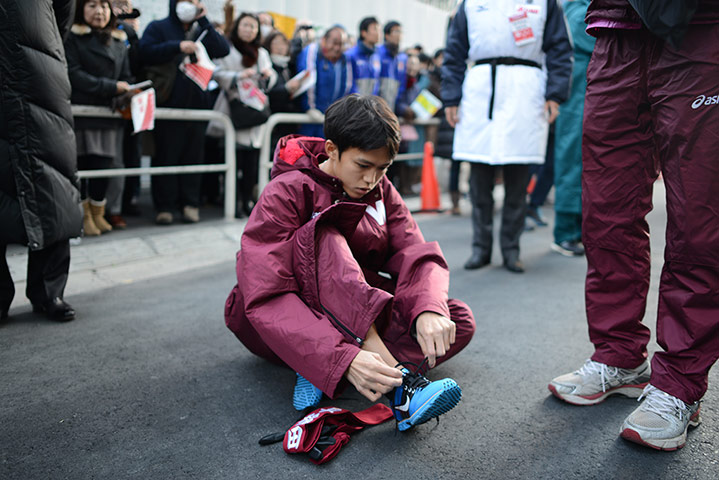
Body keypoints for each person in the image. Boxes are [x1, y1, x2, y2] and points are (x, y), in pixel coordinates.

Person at [224, 95, 475, 430]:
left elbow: (414, 250)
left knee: (454, 319)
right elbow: (266, 294)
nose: (372, 179)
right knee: (325, 234)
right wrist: (339, 354)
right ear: (331, 150)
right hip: (279, 320)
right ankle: (402, 390)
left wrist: (428, 309)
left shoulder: (380, 188)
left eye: (382, 168)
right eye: (363, 166)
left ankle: (331, 370)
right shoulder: (285, 192)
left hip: (352, 311)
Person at [548, 0, 719, 451]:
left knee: (698, 220)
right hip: (614, 30)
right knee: (606, 213)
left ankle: (681, 381)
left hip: (700, 26)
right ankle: (619, 353)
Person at [442, 0, 572, 273]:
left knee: (518, 176)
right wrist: (451, 97)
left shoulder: (545, 3)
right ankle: (481, 248)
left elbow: (559, 49)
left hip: (525, 91)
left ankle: (511, 248)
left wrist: (555, 94)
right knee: (479, 176)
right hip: (480, 89)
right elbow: (454, 53)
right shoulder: (470, 3)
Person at [0, 0, 82, 321]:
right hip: (36, 64)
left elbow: (62, 15)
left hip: (38, 73)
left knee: (53, 184)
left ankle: (50, 291)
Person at [139, 0, 230, 225]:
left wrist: (204, 21)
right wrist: (177, 46)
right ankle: (165, 206)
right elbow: (144, 52)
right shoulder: (158, 27)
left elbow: (222, 49)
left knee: (194, 157)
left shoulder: (202, 30)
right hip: (169, 102)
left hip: (198, 106)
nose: (188, 5)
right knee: (166, 156)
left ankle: (190, 204)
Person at [66, 0, 133, 237]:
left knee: (102, 167)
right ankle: (82, 216)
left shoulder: (119, 41)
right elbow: (73, 74)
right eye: (92, 5)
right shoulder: (72, 38)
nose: (99, 11)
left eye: (104, 6)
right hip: (82, 113)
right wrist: (111, 86)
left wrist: (130, 91)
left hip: (108, 115)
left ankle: (98, 213)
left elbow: (126, 75)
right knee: (81, 166)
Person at [207, 12, 277, 218]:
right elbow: (216, 73)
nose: (249, 30)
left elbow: (270, 76)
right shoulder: (226, 49)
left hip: (255, 111)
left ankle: (248, 200)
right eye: (246, 25)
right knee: (233, 158)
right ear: (238, 26)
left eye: (253, 27)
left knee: (252, 162)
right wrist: (238, 76)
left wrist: (267, 77)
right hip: (234, 108)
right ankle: (233, 201)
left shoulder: (261, 53)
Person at [549, 0, 594, 257]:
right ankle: (566, 232)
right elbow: (587, 35)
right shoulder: (576, 8)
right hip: (577, 88)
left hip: (584, 87)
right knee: (572, 157)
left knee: (583, 159)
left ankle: (577, 230)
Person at [296, 25, 352, 138]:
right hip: (310, 119)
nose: (337, 48)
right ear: (324, 40)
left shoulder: (344, 59)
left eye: (341, 44)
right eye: (334, 42)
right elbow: (308, 78)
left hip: (331, 121)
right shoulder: (312, 51)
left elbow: (347, 86)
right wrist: (310, 108)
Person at [375, 21, 408, 114]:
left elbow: (402, 84)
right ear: (387, 35)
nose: (399, 35)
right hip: (376, 104)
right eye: (396, 31)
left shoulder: (402, 57)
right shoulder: (377, 53)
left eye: (401, 32)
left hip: (392, 106)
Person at [345, 16, 381, 96]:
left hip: (371, 105)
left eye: (379, 30)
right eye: (375, 29)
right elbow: (348, 85)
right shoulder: (351, 55)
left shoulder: (377, 56)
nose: (378, 33)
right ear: (363, 33)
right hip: (354, 105)